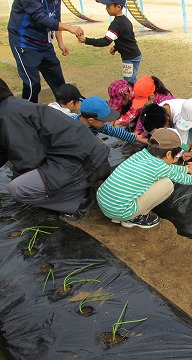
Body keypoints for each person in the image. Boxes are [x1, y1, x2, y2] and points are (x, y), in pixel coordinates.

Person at [0, 78, 110, 221]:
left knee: (19, 188)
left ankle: (80, 198)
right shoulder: (9, 108)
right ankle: (76, 188)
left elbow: (30, 160)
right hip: (82, 157)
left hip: (86, 162)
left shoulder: (8, 115)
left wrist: (32, 184)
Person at [96, 128, 192, 228]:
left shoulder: (141, 155)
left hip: (104, 200)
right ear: (168, 154)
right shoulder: (160, 167)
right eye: (175, 156)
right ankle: (133, 218)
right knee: (167, 184)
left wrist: (187, 169)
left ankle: (118, 215)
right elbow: (184, 179)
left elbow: (169, 168)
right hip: (120, 211)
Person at [8, 0, 84, 102]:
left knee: (58, 79)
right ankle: (27, 112)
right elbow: (41, 18)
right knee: (33, 84)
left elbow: (55, 18)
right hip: (24, 42)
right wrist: (69, 28)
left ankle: (65, 109)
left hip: (44, 42)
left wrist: (60, 42)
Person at [78, 0, 141, 83]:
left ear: (118, 7)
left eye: (108, 6)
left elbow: (105, 41)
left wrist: (86, 40)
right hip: (134, 55)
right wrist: (116, 47)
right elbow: (126, 38)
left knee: (129, 82)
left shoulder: (116, 24)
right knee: (131, 80)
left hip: (129, 58)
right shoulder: (125, 21)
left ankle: (134, 95)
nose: (106, 9)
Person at [79, 96, 148, 145]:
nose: (105, 123)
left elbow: (112, 131)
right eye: (103, 121)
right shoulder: (79, 133)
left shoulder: (93, 124)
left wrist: (135, 138)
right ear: (91, 120)